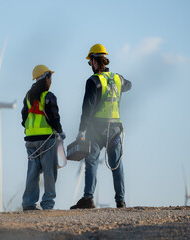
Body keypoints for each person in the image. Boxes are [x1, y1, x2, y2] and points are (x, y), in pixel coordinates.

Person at [70, 44, 132, 209]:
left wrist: (81, 131)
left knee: (91, 162)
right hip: (115, 129)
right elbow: (129, 85)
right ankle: (121, 200)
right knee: (116, 165)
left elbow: (87, 108)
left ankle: (88, 198)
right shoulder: (118, 79)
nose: (90, 66)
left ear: (94, 61)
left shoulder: (93, 81)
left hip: (96, 129)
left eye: (90, 62)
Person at [21, 64, 65, 211]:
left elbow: (23, 117)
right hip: (47, 140)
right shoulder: (48, 97)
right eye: (50, 77)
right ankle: (47, 204)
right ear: (45, 78)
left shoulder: (28, 97)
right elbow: (54, 118)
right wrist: (60, 131)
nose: (51, 80)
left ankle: (28, 204)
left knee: (32, 173)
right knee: (49, 173)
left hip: (31, 141)